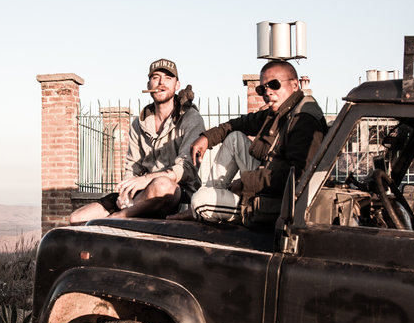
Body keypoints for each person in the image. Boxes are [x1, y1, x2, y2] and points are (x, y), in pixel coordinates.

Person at [180, 60, 327, 223]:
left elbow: (298, 179)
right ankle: (207, 200)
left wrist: (246, 182)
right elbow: (238, 124)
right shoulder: (282, 111)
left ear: (294, 85)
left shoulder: (303, 120)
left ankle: (201, 207)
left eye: (274, 84)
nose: (267, 92)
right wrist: (207, 137)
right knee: (235, 138)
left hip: (283, 205)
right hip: (268, 182)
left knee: (201, 202)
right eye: (262, 88)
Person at [69, 58, 204, 223]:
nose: (161, 82)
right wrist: (125, 192)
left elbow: (187, 168)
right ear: (148, 86)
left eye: (168, 78)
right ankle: (126, 211)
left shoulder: (191, 119)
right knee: (76, 218)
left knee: (162, 185)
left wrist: (146, 179)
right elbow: (132, 167)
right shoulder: (139, 123)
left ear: (177, 85)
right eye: (156, 77)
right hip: (143, 192)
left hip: (178, 192)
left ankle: (118, 218)